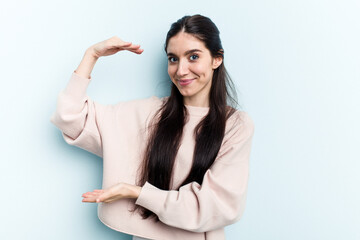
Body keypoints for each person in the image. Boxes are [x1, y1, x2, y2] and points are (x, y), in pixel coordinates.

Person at [50, 14, 255, 240]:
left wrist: (136, 192)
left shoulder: (235, 125)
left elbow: (213, 207)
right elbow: (69, 117)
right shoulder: (149, 115)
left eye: (193, 57)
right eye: (173, 59)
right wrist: (92, 55)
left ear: (217, 59)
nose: (181, 70)